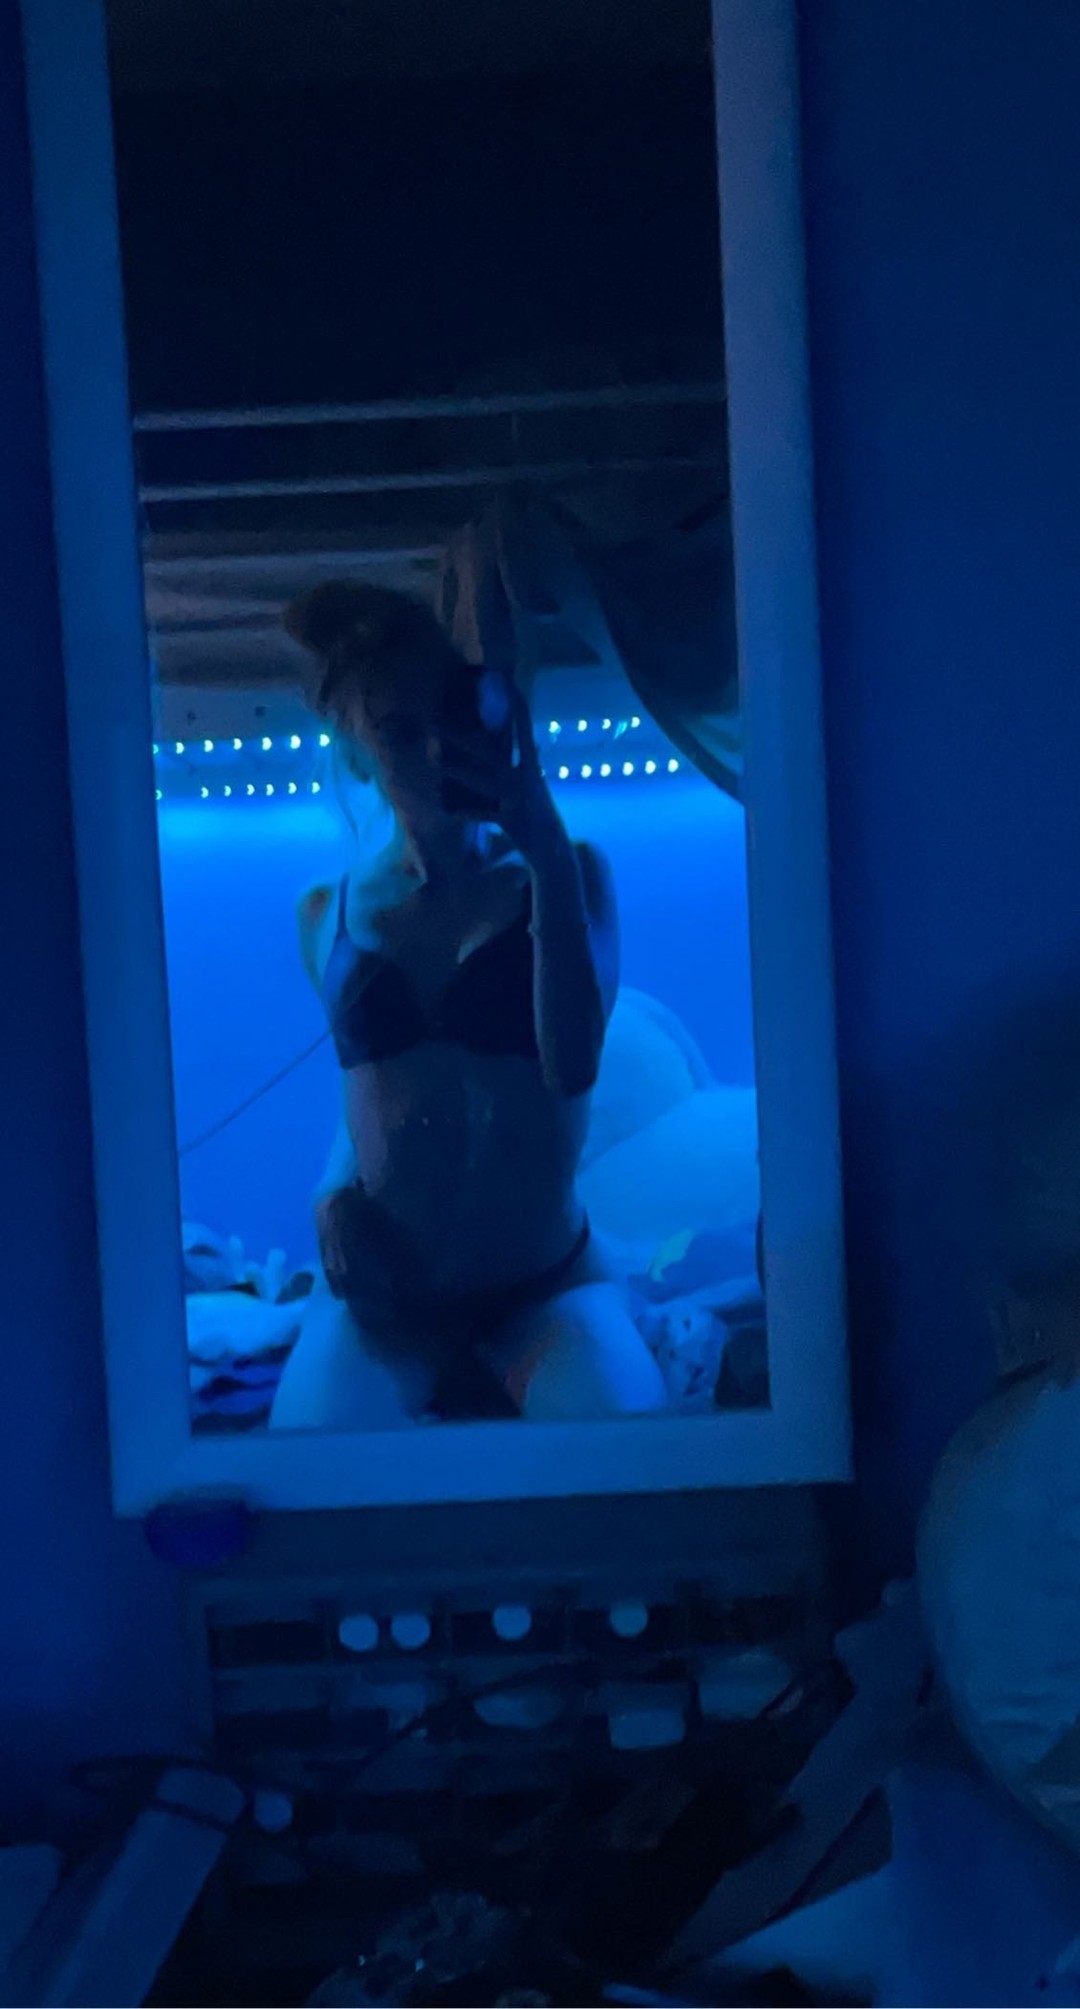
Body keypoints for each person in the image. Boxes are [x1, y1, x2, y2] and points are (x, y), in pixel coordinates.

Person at [270, 582, 665, 1430]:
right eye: (396, 732)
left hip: (546, 1288)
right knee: (305, 1454)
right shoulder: (324, 913)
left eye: (444, 718)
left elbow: (573, 1063)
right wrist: (329, 1192)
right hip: (393, 1305)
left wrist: (545, 853)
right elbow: (374, 1091)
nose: (431, 750)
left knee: (625, 1445)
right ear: (357, 754)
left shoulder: (572, 873)